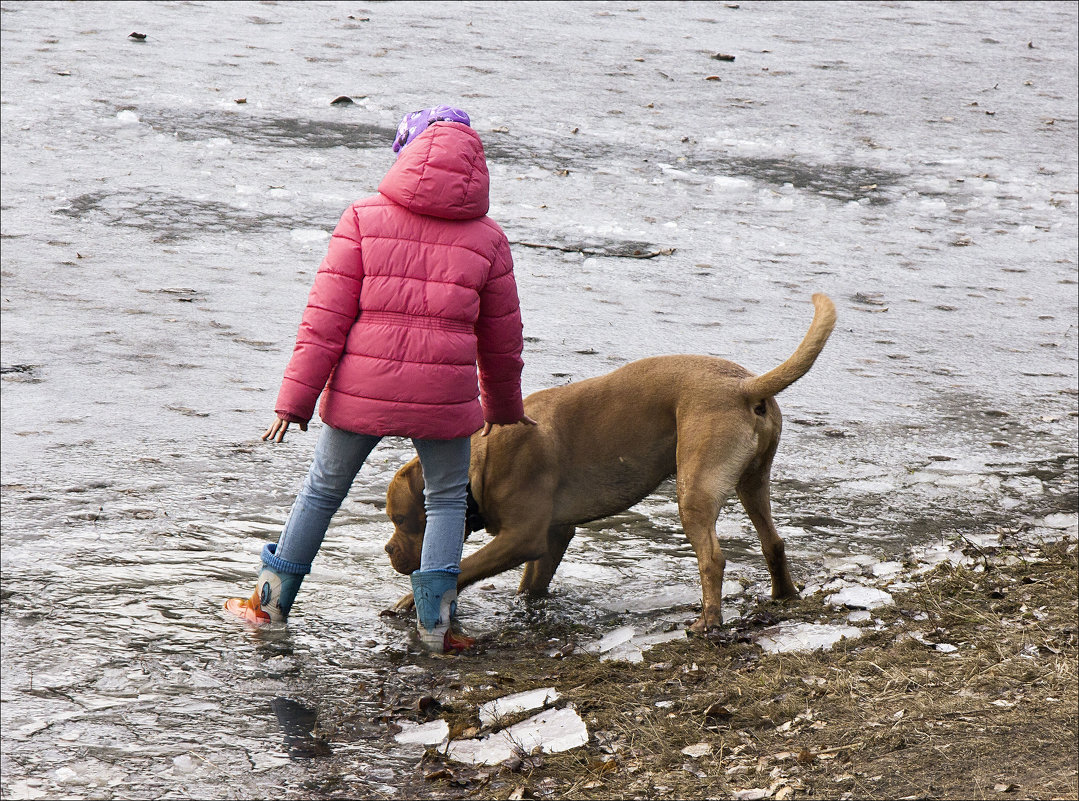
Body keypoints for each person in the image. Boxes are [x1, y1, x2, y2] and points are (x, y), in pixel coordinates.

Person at [224, 106, 535, 653]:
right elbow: (502, 340)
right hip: (443, 398)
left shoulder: (364, 217)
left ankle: (268, 606)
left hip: (361, 390)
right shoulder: (489, 239)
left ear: (407, 154)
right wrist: (504, 408)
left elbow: (325, 318)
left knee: (322, 491)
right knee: (446, 501)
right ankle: (437, 628)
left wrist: (293, 401)